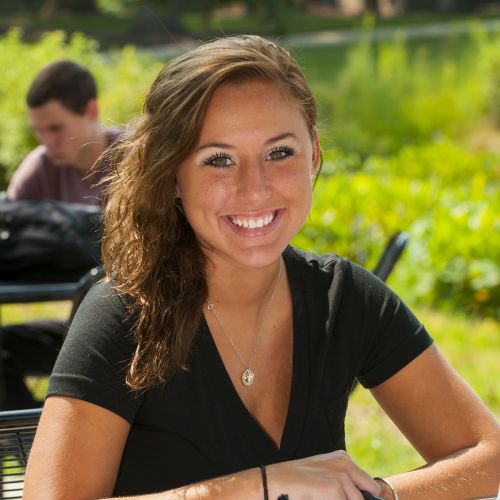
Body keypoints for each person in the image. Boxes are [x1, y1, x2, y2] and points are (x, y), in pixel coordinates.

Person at [24, 35, 499, 499]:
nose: (254, 189)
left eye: (279, 152)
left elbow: (487, 453)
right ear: (170, 174)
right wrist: (252, 488)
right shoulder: (124, 315)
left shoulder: (345, 298)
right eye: (219, 160)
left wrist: (374, 495)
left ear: (313, 152)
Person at [0, 60, 122, 410]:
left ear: (91, 110)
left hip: (136, 330)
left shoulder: (138, 162)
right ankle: (35, 442)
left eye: (55, 128)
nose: (46, 141)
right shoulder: (39, 168)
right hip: (77, 329)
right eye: (38, 131)